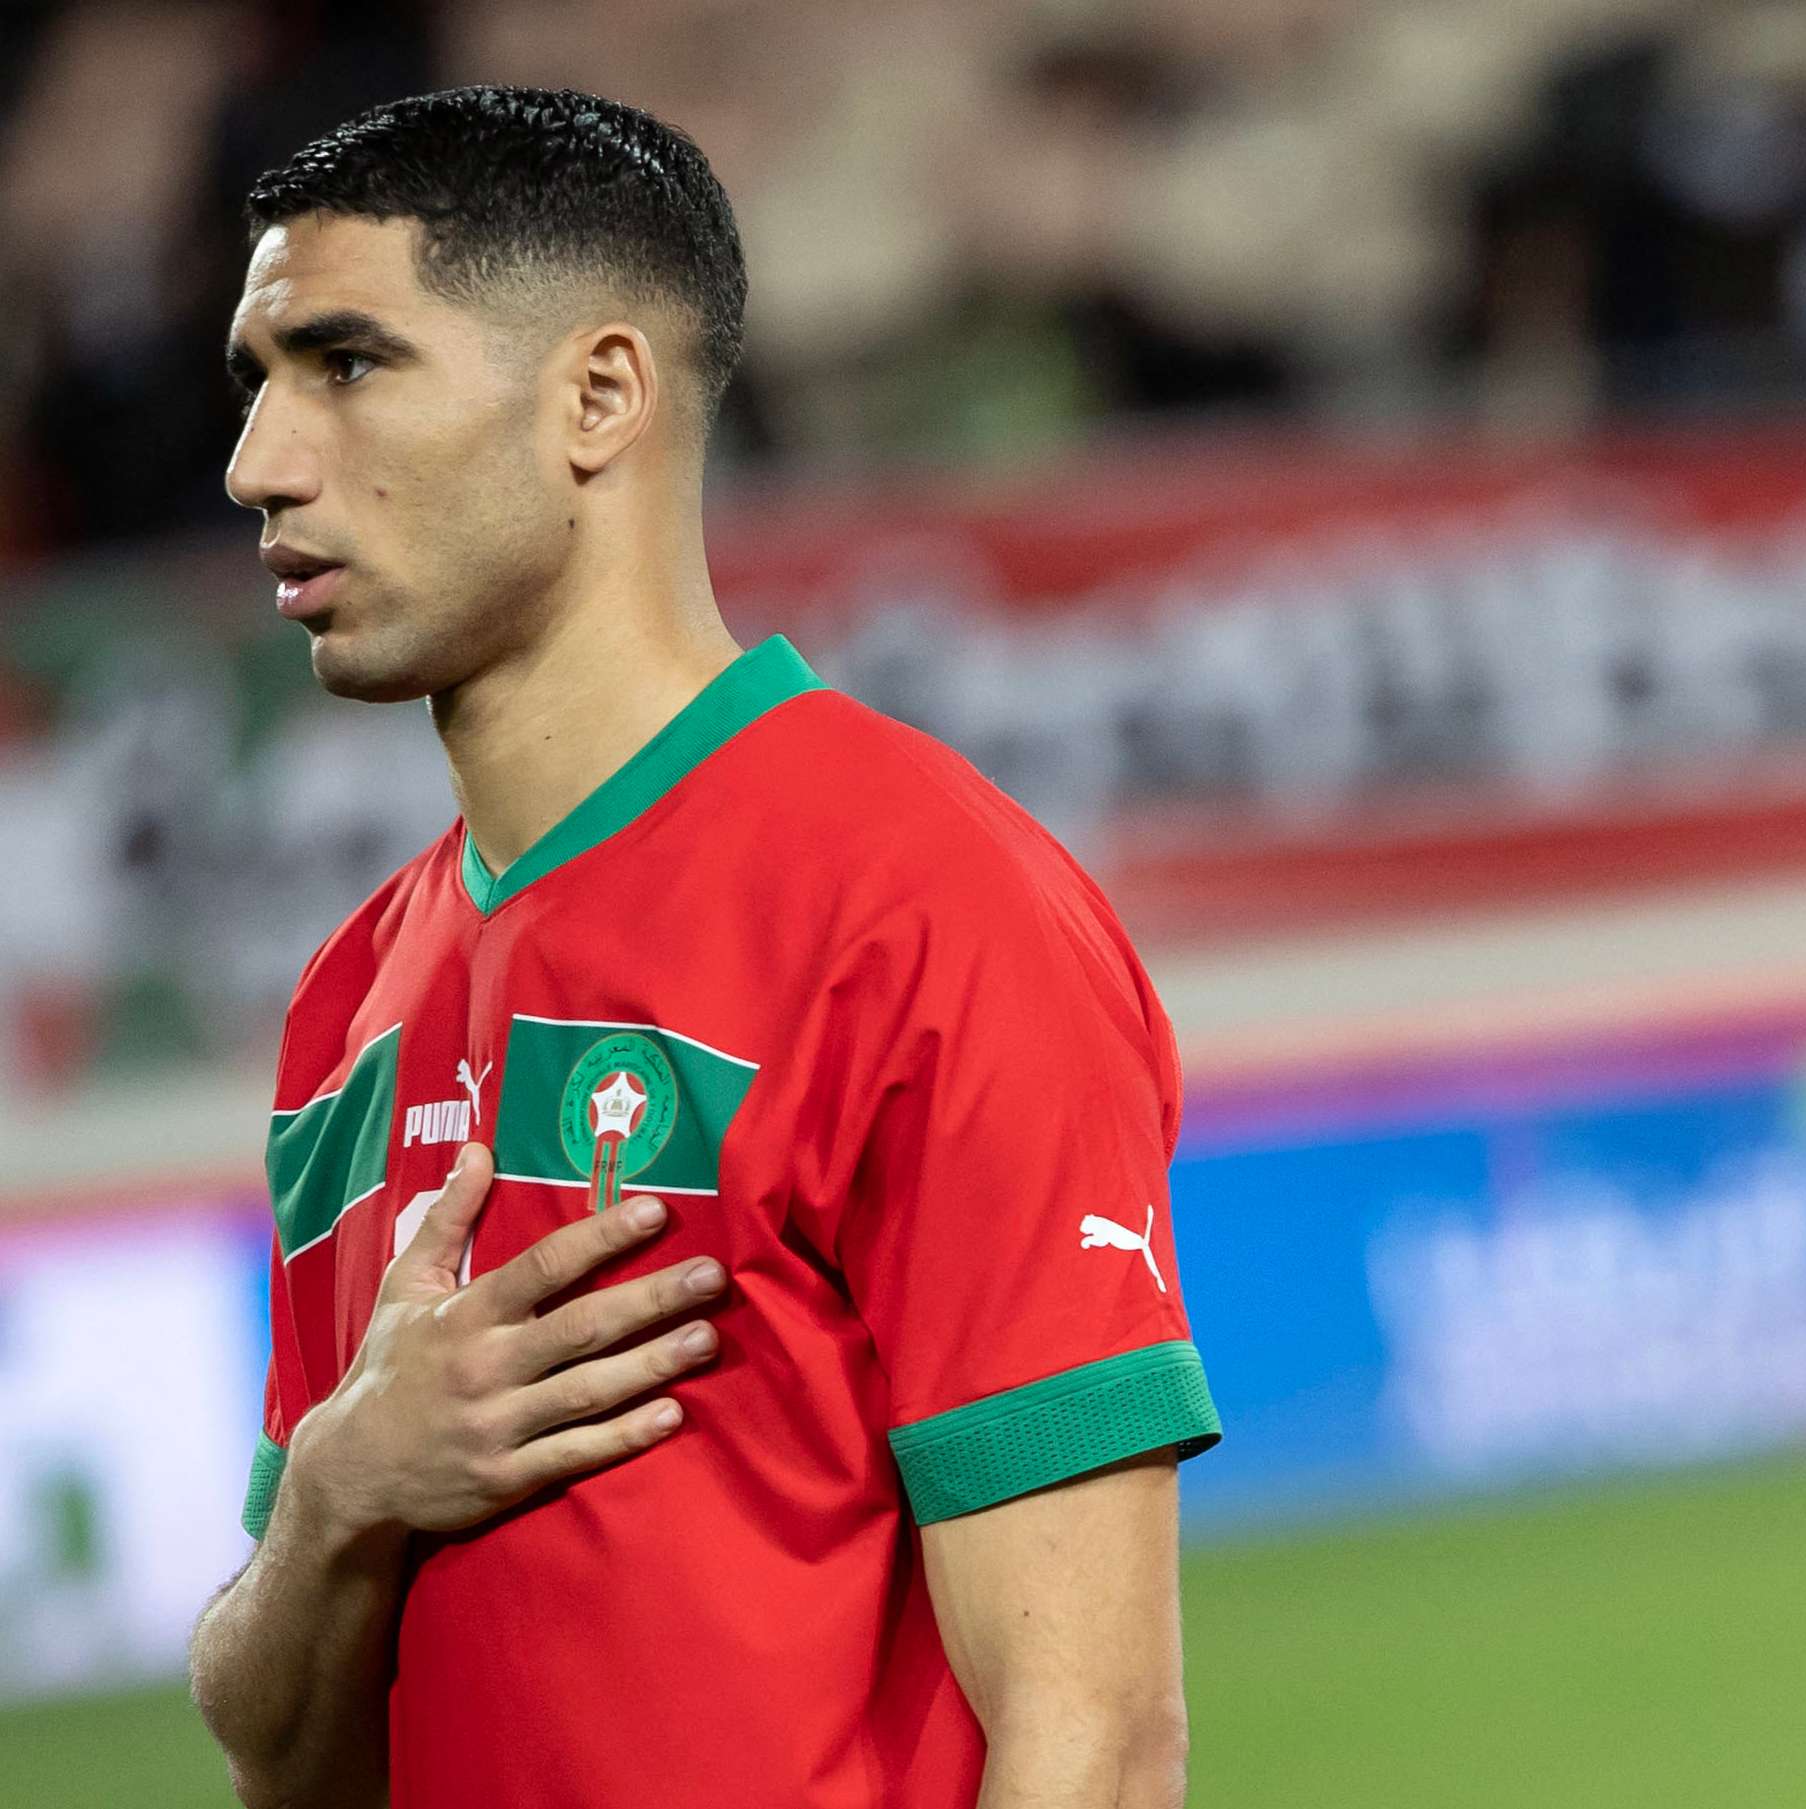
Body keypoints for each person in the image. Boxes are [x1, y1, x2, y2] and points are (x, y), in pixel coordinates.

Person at [186, 87, 1215, 1809]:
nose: (261, 465)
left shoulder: (919, 905)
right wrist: (336, 1497)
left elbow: (1095, 1738)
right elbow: (288, 1767)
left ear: (599, 396)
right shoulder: (345, 1004)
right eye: (256, 382)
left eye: (347, 364)